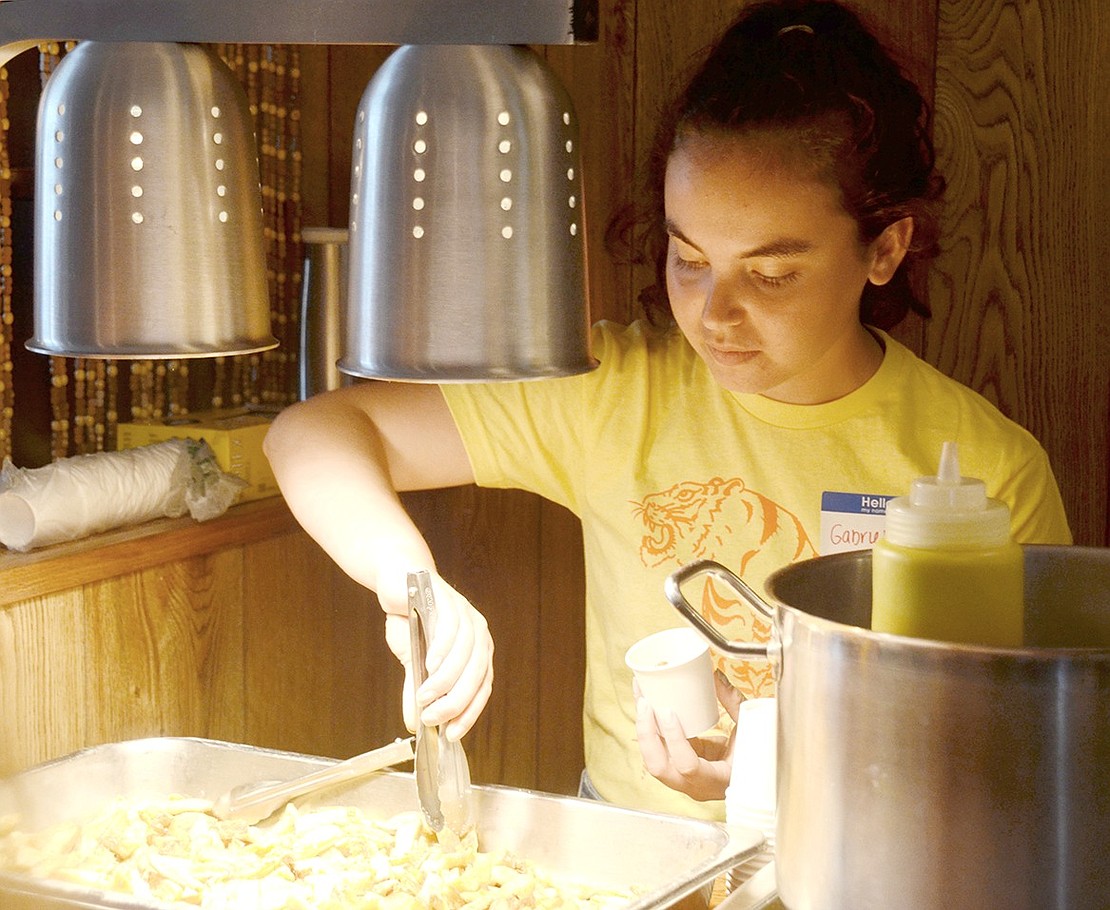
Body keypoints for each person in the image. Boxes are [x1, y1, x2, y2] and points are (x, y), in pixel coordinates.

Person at [264, 0, 1072, 822]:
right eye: (690, 259)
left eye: (771, 274)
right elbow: (318, 433)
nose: (716, 314)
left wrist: (774, 774)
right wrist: (412, 584)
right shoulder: (619, 389)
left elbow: (1029, 762)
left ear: (885, 250)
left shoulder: (984, 469)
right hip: (630, 857)